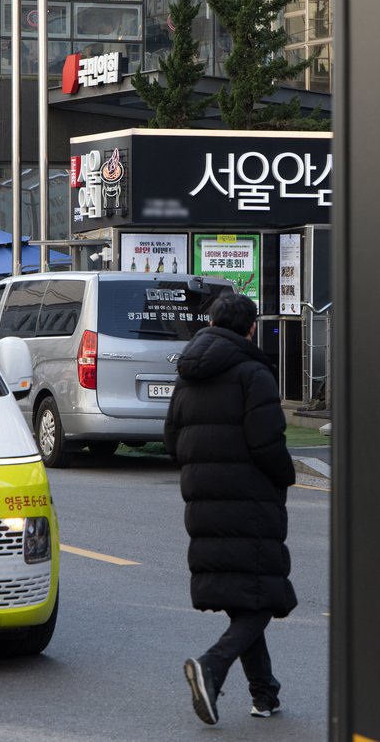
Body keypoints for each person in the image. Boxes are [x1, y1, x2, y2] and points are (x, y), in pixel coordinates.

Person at [165, 293, 297, 725]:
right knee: (263, 595)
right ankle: (212, 665)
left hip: (201, 499)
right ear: (251, 328)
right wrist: (286, 477)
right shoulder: (252, 373)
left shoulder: (188, 373)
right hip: (249, 499)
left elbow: (170, 439)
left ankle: (264, 693)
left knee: (245, 593)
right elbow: (267, 442)